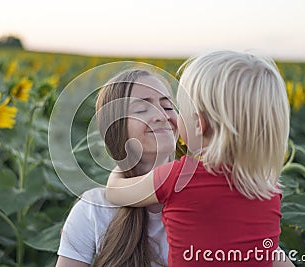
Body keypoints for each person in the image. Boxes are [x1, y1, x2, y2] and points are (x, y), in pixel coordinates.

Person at [106, 51, 294, 266]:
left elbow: (116, 192)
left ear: (199, 123)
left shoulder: (178, 177)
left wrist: (123, 164)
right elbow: (270, 253)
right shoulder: (269, 188)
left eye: (178, 109)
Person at [55, 69, 178, 267]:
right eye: (141, 109)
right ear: (115, 128)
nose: (162, 116)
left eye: (168, 106)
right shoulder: (94, 209)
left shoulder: (203, 194)